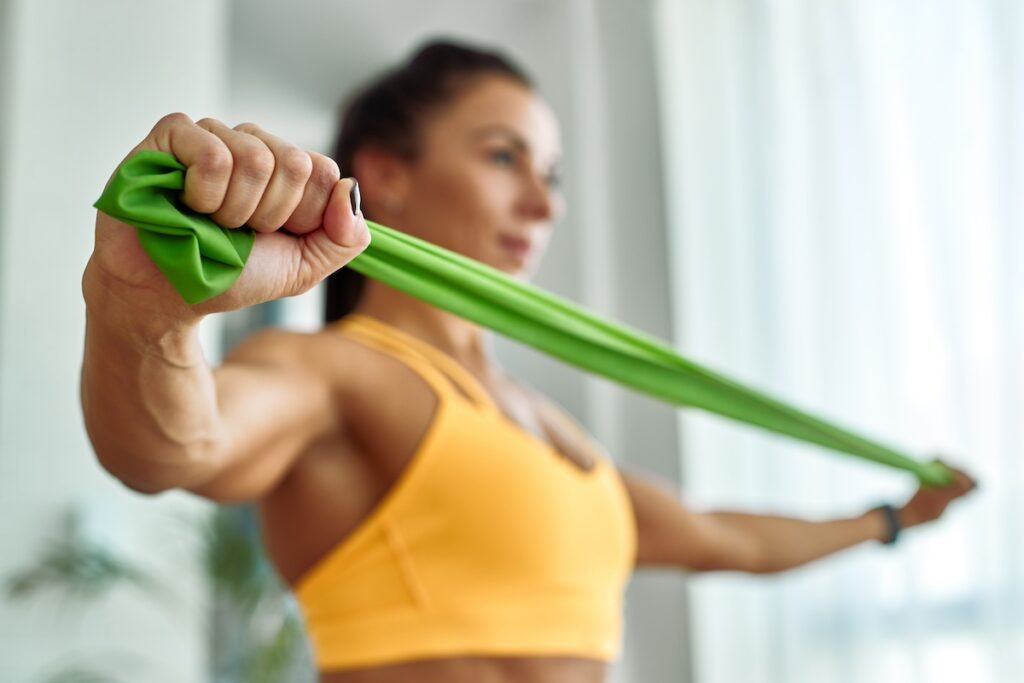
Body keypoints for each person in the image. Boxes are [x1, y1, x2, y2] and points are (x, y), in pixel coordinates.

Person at [81, 40, 976, 683]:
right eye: (504, 156)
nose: (542, 203)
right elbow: (170, 451)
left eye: (551, 171)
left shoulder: (552, 431)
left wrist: (893, 520)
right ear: (385, 174)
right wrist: (146, 315)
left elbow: (725, 538)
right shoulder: (332, 371)